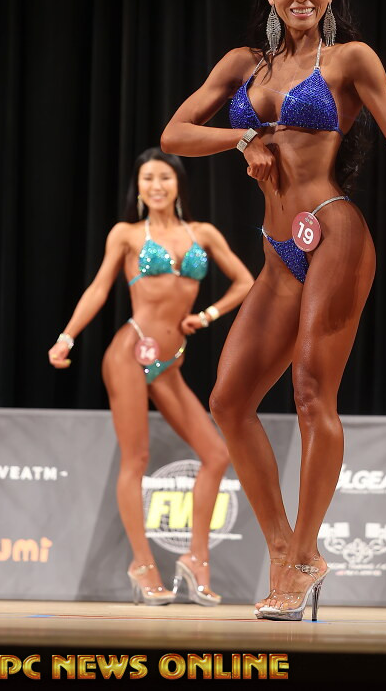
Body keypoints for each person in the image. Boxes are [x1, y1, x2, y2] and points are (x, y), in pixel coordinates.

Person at [161, 0, 386, 621]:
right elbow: (174, 135)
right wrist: (243, 137)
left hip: (333, 232)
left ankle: (303, 555)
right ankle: (287, 549)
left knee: (313, 393)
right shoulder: (243, 65)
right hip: (276, 249)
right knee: (229, 400)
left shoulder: (349, 59)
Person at [48, 148, 254, 606]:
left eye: (164, 177)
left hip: (170, 361)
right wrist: (67, 337)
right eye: (147, 179)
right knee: (136, 459)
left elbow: (246, 281)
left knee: (217, 454)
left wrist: (208, 315)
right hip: (129, 353)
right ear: (138, 189)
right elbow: (98, 288)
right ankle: (142, 565)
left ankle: (196, 559)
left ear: (178, 184)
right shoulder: (126, 234)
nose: (156, 185)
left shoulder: (202, 233)